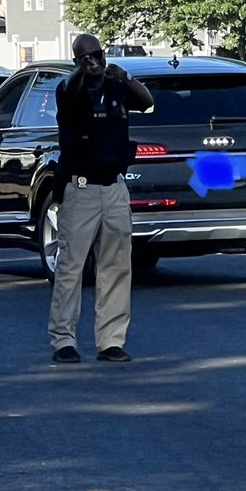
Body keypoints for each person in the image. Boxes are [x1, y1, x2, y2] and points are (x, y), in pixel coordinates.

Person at [47, 33, 153, 364]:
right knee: (71, 266)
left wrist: (125, 77)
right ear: (76, 60)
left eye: (98, 55)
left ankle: (111, 341)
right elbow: (72, 90)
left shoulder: (115, 86)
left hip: (114, 187)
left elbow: (147, 101)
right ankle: (63, 339)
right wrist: (83, 72)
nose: (93, 61)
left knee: (117, 267)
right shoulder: (70, 90)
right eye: (85, 57)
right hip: (81, 189)